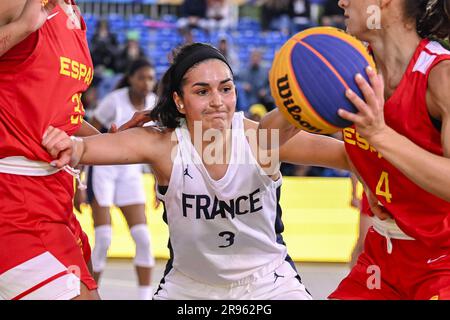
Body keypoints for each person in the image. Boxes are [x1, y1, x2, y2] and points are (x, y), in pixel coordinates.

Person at [41, 42, 350, 300]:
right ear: (179, 100)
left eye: (226, 89)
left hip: (269, 285)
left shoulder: (260, 138)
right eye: (202, 92)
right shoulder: (163, 144)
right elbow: (89, 149)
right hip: (188, 289)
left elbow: (349, 156)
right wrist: (70, 144)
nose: (218, 101)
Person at [259, 0, 450, 300]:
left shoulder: (441, 76)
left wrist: (379, 135)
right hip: (383, 259)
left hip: (442, 263)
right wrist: (301, 93)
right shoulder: (349, 69)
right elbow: (263, 141)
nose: (342, 2)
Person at [0, 0, 100, 300]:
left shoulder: (72, 14)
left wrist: (119, 140)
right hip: (14, 198)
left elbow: (55, 111)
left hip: (55, 197)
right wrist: (21, 28)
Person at [87, 59, 157, 300]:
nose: (147, 83)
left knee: (144, 238)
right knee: (104, 237)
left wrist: (160, 183)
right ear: (130, 78)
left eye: (150, 78)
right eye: (142, 77)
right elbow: (90, 136)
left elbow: (158, 148)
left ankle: (145, 297)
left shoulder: (154, 104)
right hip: (104, 169)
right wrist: (82, 183)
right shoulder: (114, 101)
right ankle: (91, 293)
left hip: (130, 172)